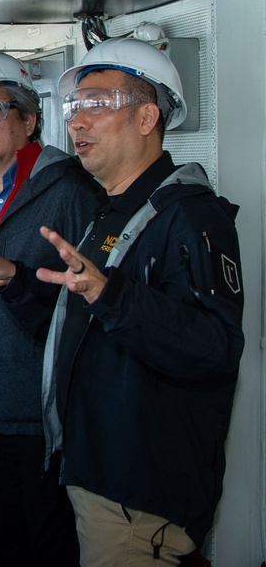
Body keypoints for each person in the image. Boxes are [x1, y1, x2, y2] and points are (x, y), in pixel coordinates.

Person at [36, 38, 244, 566]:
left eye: (97, 105)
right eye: (73, 108)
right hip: (96, 470)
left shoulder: (191, 218)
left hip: (137, 495)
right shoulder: (112, 211)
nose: (77, 123)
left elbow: (213, 347)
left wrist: (113, 295)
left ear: (148, 116)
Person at [0, 51, 99, 566]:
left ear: (29, 119)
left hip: (45, 421)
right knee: (1, 545)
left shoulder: (71, 192)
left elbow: (91, 309)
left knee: (48, 549)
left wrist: (13, 277)